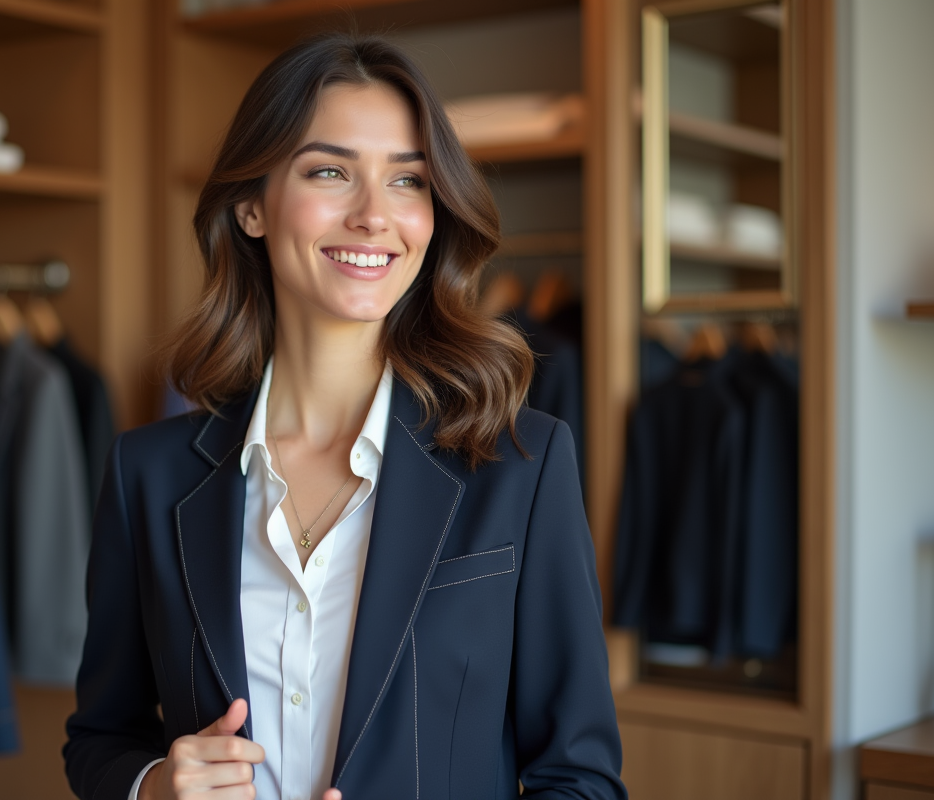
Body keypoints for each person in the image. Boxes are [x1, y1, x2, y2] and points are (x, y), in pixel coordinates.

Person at [64, 32, 626, 800]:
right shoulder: (147, 473)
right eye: (330, 172)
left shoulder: (522, 465)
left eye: (408, 182)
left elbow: (581, 779)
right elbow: (100, 736)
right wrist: (155, 785)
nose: (373, 215)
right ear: (252, 208)